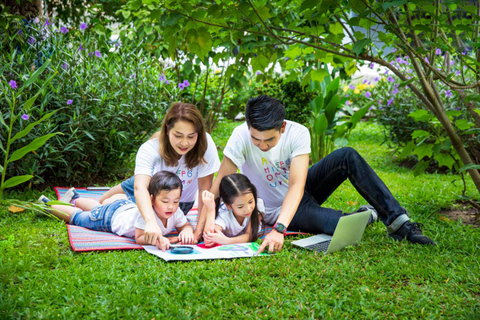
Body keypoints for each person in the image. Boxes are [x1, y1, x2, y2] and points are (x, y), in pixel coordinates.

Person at [209, 95, 435, 254]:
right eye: (256, 139)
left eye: (269, 140)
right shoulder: (239, 136)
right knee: (345, 227)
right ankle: (367, 215)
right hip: (279, 209)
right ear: (248, 126)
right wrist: (206, 223)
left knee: (347, 155)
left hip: (299, 191)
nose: (262, 145)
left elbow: (298, 184)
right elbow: (221, 182)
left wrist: (278, 231)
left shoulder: (298, 133)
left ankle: (398, 222)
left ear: (283, 127)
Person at [94, 103, 220, 248]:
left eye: (191, 136)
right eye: (178, 135)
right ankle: (105, 204)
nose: (185, 143)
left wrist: (198, 232)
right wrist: (150, 222)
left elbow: (205, 190)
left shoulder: (205, 144)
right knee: (103, 203)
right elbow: (140, 188)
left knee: (119, 209)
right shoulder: (150, 148)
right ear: (167, 130)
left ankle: (118, 203)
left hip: (175, 202)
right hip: (148, 190)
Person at [40, 171, 195, 250]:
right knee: (81, 218)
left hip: (123, 207)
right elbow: (139, 238)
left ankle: (75, 198)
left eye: (176, 201)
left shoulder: (175, 212)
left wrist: (187, 230)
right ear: (151, 200)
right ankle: (47, 205)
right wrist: (159, 240)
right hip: (110, 218)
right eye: (165, 201)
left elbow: (185, 225)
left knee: (97, 207)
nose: (171, 206)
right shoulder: (147, 214)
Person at [202, 174, 265, 246]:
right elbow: (208, 239)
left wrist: (226, 241)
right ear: (228, 206)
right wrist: (211, 210)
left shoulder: (258, 204)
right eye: (240, 206)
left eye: (250, 202)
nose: (248, 209)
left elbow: (249, 235)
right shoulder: (224, 214)